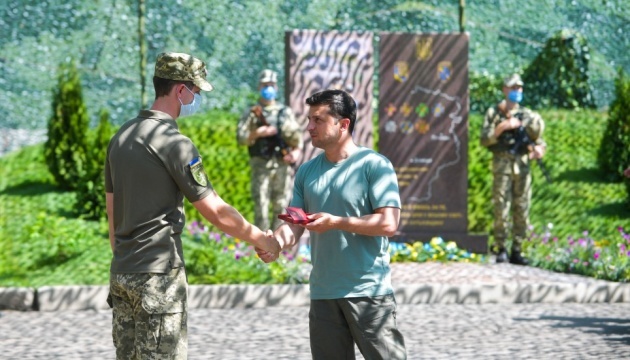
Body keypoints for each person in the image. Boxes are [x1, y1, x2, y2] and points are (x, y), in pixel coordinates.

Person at [104, 52, 280, 360]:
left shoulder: (122, 137)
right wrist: (263, 240)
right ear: (180, 90)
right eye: (195, 91)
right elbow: (215, 211)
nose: (195, 97)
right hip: (158, 277)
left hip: (122, 274)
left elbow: (112, 214)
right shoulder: (174, 143)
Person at [259, 89, 407, 359]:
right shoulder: (306, 171)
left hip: (368, 293)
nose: (309, 127)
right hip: (323, 294)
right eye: (309, 120)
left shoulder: (374, 165)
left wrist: (337, 222)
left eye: (318, 120)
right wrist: (276, 244)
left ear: (343, 124)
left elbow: (388, 223)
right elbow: (295, 222)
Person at [480, 73, 547, 265]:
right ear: (504, 89)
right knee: (501, 206)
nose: (517, 91)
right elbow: (484, 139)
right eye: (513, 88)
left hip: (522, 167)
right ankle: (500, 248)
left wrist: (540, 149)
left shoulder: (528, 115)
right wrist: (501, 128)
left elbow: (537, 139)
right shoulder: (494, 113)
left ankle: (518, 249)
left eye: (519, 88)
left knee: (522, 207)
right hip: (502, 166)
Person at [237, 69, 303, 231]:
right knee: (261, 205)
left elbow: (298, 138)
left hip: (281, 164)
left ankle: (278, 245)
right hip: (261, 165)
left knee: (281, 205)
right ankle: (261, 244)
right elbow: (241, 138)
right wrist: (257, 133)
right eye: (265, 85)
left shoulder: (284, 112)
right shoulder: (253, 112)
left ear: (277, 87)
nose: (268, 88)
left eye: (271, 85)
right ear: (259, 87)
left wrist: (296, 152)